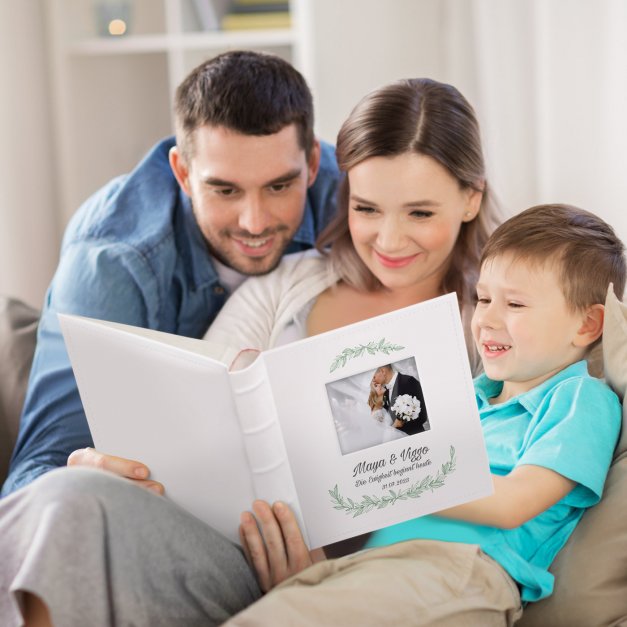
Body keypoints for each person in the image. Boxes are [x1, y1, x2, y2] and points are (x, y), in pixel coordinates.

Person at [0, 77, 500, 626]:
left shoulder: (489, 325)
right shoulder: (292, 282)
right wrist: (112, 465)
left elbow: (468, 498)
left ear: (470, 197)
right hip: (213, 545)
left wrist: (320, 579)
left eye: (420, 214)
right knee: (70, 497)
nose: (389, 239)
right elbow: (193, 401)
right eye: (367, 209)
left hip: (352, 581)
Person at [222, 204, 624, 626]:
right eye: (484, 298)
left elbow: (513, 504)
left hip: (460, 571)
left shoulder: (581, 398)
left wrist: (393, 470)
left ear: (586, 325)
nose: (486, 318)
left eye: (516, 304)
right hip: (374, 565)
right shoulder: (464, 394)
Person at [1, 50, 340, 497]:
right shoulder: (112, 263)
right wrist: (79, 483)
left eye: (279, 186)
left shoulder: (355, 201)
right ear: (182, 172)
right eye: (224, 190)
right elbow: (30, 479)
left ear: (312, 163)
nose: (254, 222)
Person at [373, 363, 429, 434]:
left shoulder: (409, 381)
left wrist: (403, 420)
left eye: (374, 377)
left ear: (383, 371)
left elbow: (423, 416)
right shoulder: (384, 393)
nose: (373, 381)